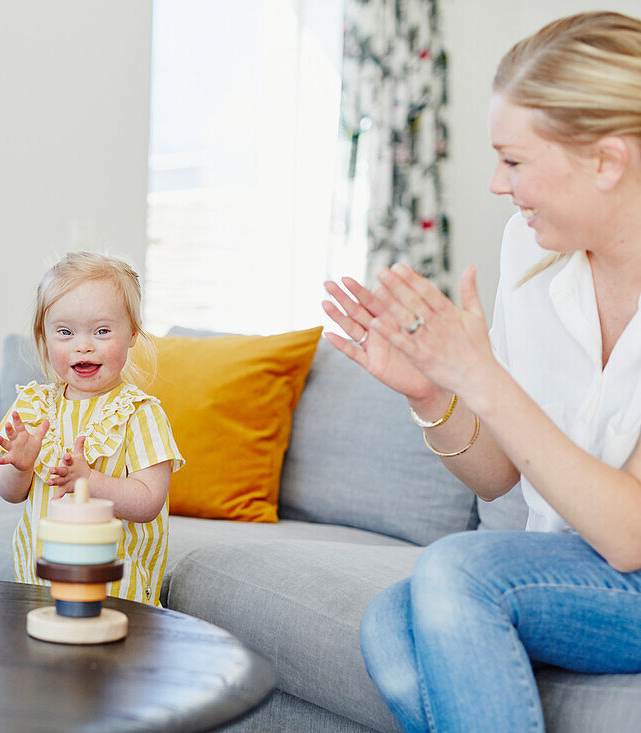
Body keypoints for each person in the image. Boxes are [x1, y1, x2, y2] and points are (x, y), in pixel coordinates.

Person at [322, 11, 641, 732]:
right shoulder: (530, 254)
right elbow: (502, 476)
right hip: (566, 564)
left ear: (607, 161)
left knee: (455, 569)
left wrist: (481, 374)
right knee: (389, 622)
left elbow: (628, 534)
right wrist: (434, 393)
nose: (498, 184)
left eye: (516, 159)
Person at [0, 251, 184, 606]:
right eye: (65, 332)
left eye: (102, 331)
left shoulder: (139, 414)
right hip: (36, 582)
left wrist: (89, 482)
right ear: (44, 337)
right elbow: (10, 493)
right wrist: (18, 467)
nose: (83, 345)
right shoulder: (33, 406)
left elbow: (148, 503)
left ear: (132, 335)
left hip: (114, 594)